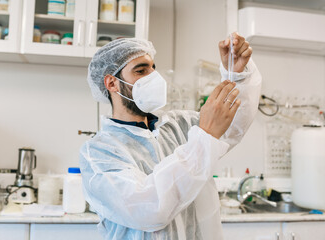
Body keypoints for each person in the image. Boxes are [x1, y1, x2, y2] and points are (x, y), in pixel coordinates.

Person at [80, 33, 262, 240]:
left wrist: (236, 74)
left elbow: (232, 124)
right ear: (112, 83)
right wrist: (205, 136)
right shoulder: (98, 153)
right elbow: (149, 209)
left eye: (153, 68)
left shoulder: (178, 125)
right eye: (141, 70)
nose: (153, 77)